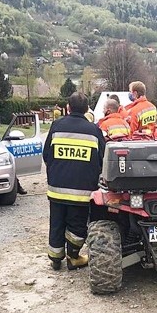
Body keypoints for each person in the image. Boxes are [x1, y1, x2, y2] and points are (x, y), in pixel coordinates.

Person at [42, 91, 106, 271]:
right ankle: (74, 257)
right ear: (87, 109)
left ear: (68, 108)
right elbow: (103, 159)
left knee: (56, 223)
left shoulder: (56, 126)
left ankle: (55, 259)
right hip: (81, 192)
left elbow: (46, 155)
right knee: (77, 226)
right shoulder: (94, 131)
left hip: (56, 189)